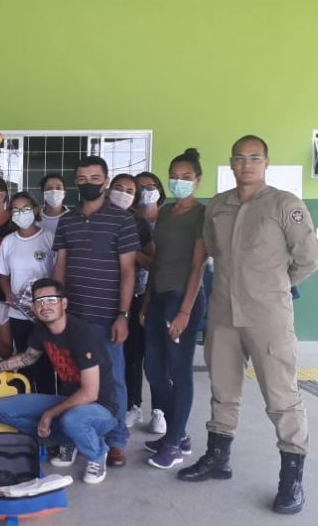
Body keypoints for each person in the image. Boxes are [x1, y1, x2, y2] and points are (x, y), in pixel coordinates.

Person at [179, 135, 318, 515]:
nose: (247, 164)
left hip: (268, 318)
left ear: (266, 162)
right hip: (224, 315)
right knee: (223, 390)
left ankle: (291, 479)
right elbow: (211, 252)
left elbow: (308, 260)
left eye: (254, 158)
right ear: (231, 163)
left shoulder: (284, 205)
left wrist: (276, 287)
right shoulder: (218, 207)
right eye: (240, 158)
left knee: (281, 397)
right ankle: (217, 458)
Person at [0, 279, 118, 485]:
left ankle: (97, 454)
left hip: (100, 408)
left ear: (63, 303)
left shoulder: (83, 335)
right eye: (39, 301)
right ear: (33, 308)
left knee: (72, 419)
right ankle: (68, 440)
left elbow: (90, 393)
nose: (44, 306)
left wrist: (49, 413)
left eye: (50, 300)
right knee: (2, 409)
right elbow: (27, 358)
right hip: (68, 401)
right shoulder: (41, 329)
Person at [53, 156, 139, 468]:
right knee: (70, 377)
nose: (89, 182)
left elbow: (128, 271)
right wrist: (57, 311)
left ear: (105, 179)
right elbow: (60, 266)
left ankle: (116, 441)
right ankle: (73, 437)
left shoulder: (122, 220)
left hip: (107, 318)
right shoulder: (67, 220)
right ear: (76, 182)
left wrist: (123, 315)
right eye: (83, 177)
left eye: (95, 177)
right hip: (71, 317)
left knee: (112, 379)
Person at [137, 149, 207, 469]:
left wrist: (185, 312)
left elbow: (197, 266)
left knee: (179, 371)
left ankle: (175, 440)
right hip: (160, 296)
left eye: (186, 177)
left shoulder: (202, 214)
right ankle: (178, 433)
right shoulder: (164, 213)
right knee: (153, 367)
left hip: (183, 298)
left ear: (198, 179)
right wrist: (148, 301)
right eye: (174, 177)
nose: (179, 182)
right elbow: (159, 260)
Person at [0, 192, 57, 394]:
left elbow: (58, 273)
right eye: (16, 210)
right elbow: (3, 276)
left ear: (35, 210)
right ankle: (25, 404)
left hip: (45, 312)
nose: (21, 214)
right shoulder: (8, 242)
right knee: (23, 361)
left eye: (25, 209)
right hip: (19, 313)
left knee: (46, 362)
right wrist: (9, 294)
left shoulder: (48, 238)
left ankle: (47, 406)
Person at [125, 171, 166, 430]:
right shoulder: (130, 218)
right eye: (139, 189)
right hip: (130, 297)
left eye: (150, 187)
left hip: (158, 296)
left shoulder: (167, 220)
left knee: (156, 358)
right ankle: (134, 405)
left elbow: (156, 264)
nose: (145, 192)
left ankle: (159, 410)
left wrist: (135, 254)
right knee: (132, 355)